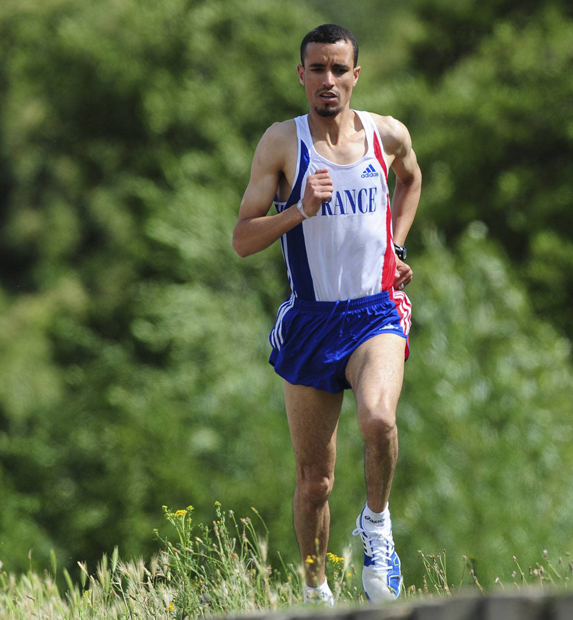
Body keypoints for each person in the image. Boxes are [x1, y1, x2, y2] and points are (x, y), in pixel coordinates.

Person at [232, 23, 421, 606]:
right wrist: (299, 209)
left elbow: (412, 179)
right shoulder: (282, 143)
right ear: (302, 76)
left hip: (375, 311)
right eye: (317, 69)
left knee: (379, 421)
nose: (329, 81)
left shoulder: (385, 135)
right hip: (312, 321)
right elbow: (242, 238)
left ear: (356, 75)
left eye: (340, 69)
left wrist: (398, 247)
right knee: (315, 482)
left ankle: (377, 526)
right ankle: (316, 593)